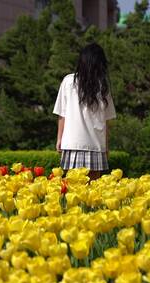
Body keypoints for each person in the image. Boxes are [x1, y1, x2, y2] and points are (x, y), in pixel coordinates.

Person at [53, 42, 117, 181]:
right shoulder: (103, 86)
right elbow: (106, 122)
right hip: (95, 146)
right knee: (93, 193)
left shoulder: (68, 81)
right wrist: (106, 148)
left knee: (73, 191)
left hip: (71, 143)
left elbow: (62, 114)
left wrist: (59, 139)